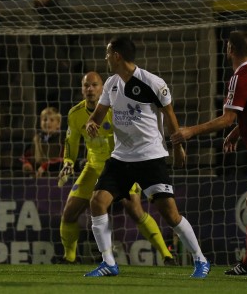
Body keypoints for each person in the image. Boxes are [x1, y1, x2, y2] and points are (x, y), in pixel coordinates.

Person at [171, 30, 247, 280]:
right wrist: (237, 133)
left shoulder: (240, 76)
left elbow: (227, 118)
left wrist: (191, 131)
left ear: (229, 49)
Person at [83, 36, 210, 278]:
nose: (106, 57)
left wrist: (177, 147)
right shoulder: (111, 84)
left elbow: (170, 117)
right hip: (120, 158)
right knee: (97, 202)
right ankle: (109, 263)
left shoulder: (152, 82)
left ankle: (200, 259)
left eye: (108, 53)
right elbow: (97, 116)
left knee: (171, 214)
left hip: (150, 157)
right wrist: (91, 124)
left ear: (117, 56)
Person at [57, 72, 177, 266]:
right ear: (81, 89)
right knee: (69, 212)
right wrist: (68, 163)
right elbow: (70, 144)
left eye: (94, 85)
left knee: (135, 209)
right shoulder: (75, 114)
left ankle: (167, 255)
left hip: (120, 166)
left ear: (102, 88)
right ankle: (69, 258)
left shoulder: (116, 110)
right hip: (93, 167)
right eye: (86, 85)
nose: (90, 89)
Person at [29, 0, 79, 117]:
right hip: (40, 79)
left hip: (62, 78)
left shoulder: (64, 15)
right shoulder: (30, 17)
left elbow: (79, 43)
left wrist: (68, 63)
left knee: (63, 117)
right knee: (44, 118)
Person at [20, 106, 64, 178]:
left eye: (52, 120)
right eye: (45, 119)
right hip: (38, 177)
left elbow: (64, 159)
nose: (47, 123)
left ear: (58, 124)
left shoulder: (62, 139)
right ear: (40, 123)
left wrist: (46, 166)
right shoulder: (36, 139)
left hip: (57, 177)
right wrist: (27, 164)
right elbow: (26, 156)